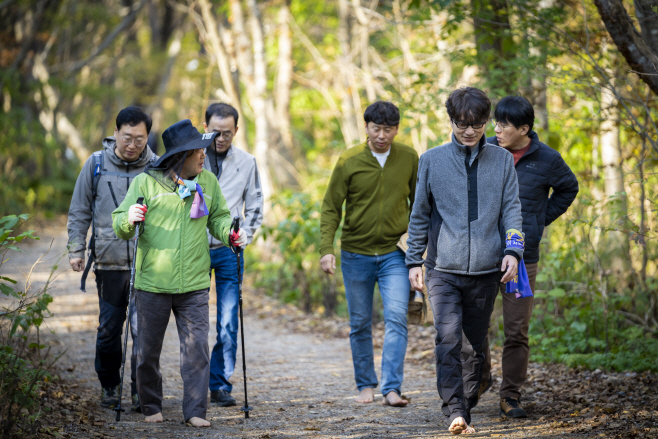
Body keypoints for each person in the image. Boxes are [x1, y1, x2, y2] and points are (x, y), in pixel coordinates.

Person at [112, 119, 247, 427]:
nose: (204, 155)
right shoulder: (146, 183)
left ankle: (196, 411)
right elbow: (120, 222)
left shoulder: (208, 182)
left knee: (197, 350)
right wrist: (128, 218)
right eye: (197, 151)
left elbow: (220, 218)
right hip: (152, 285)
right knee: (147, 352)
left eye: (203, 149)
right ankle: (150, 405)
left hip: (195, 284)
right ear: (179, 156)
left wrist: (230, 235)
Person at [405, 87, 523, 435]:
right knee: (447, 338)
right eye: (461, 124)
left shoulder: (502, 160)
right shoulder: (431, 160)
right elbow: (419, 215)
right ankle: (456, 411)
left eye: (477, 124)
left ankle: (471, 392)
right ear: (451, 121)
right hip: (442, 268)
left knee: (476, 345)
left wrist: (513, 251)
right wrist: (414, 261)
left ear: (487, 122)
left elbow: (512, 209)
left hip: (487, 270)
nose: (469, 131)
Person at [474, 95, 578, 418]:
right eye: (496, 122)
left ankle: (510, 396)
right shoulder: (484, 150)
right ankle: (481, 376)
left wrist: (538, 219)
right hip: (482, 254)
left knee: (517, 329)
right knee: (475, 324)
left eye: (504, 124)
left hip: (522, 258)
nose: (497, 129)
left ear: (525, 129)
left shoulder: (547, 159)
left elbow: (569, 188)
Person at [320, 101, 419, 408]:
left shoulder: (408, 157)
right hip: (355, 254)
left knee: (396, 319)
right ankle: (366, 385)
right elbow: (331, 207)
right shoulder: (349, 159)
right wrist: (326, 250)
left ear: (396, 129)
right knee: (361, 322)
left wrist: (418, 251)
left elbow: (420, 206)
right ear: (366, 128)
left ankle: (391, 388)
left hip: (394, 254)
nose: (382, 136)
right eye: (376, 129)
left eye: (388, 130)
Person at [67, 106, 156, 411]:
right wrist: (76, 250)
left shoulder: (157, 167)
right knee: (109, 330)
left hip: (148, 265)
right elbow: (79, 209)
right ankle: (110, 385)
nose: (132, 145)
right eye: (127, 138)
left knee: (143, 332)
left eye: (139, 140)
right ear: (115, 133)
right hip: (109, 262)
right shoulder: (95, 164)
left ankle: (140, 391)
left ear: (148, 138)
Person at [202, 103, 264, 407]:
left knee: (228, 320)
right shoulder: (190, 159)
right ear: (205, 127)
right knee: (195, 320)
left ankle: (221, 383)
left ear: (236, 131)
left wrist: (245, 236)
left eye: (227, 133)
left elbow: (255, 204)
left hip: (230, 251)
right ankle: (195, 381)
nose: (221, 138)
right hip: (195, 251)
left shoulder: (247, 162)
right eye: (215, 132)